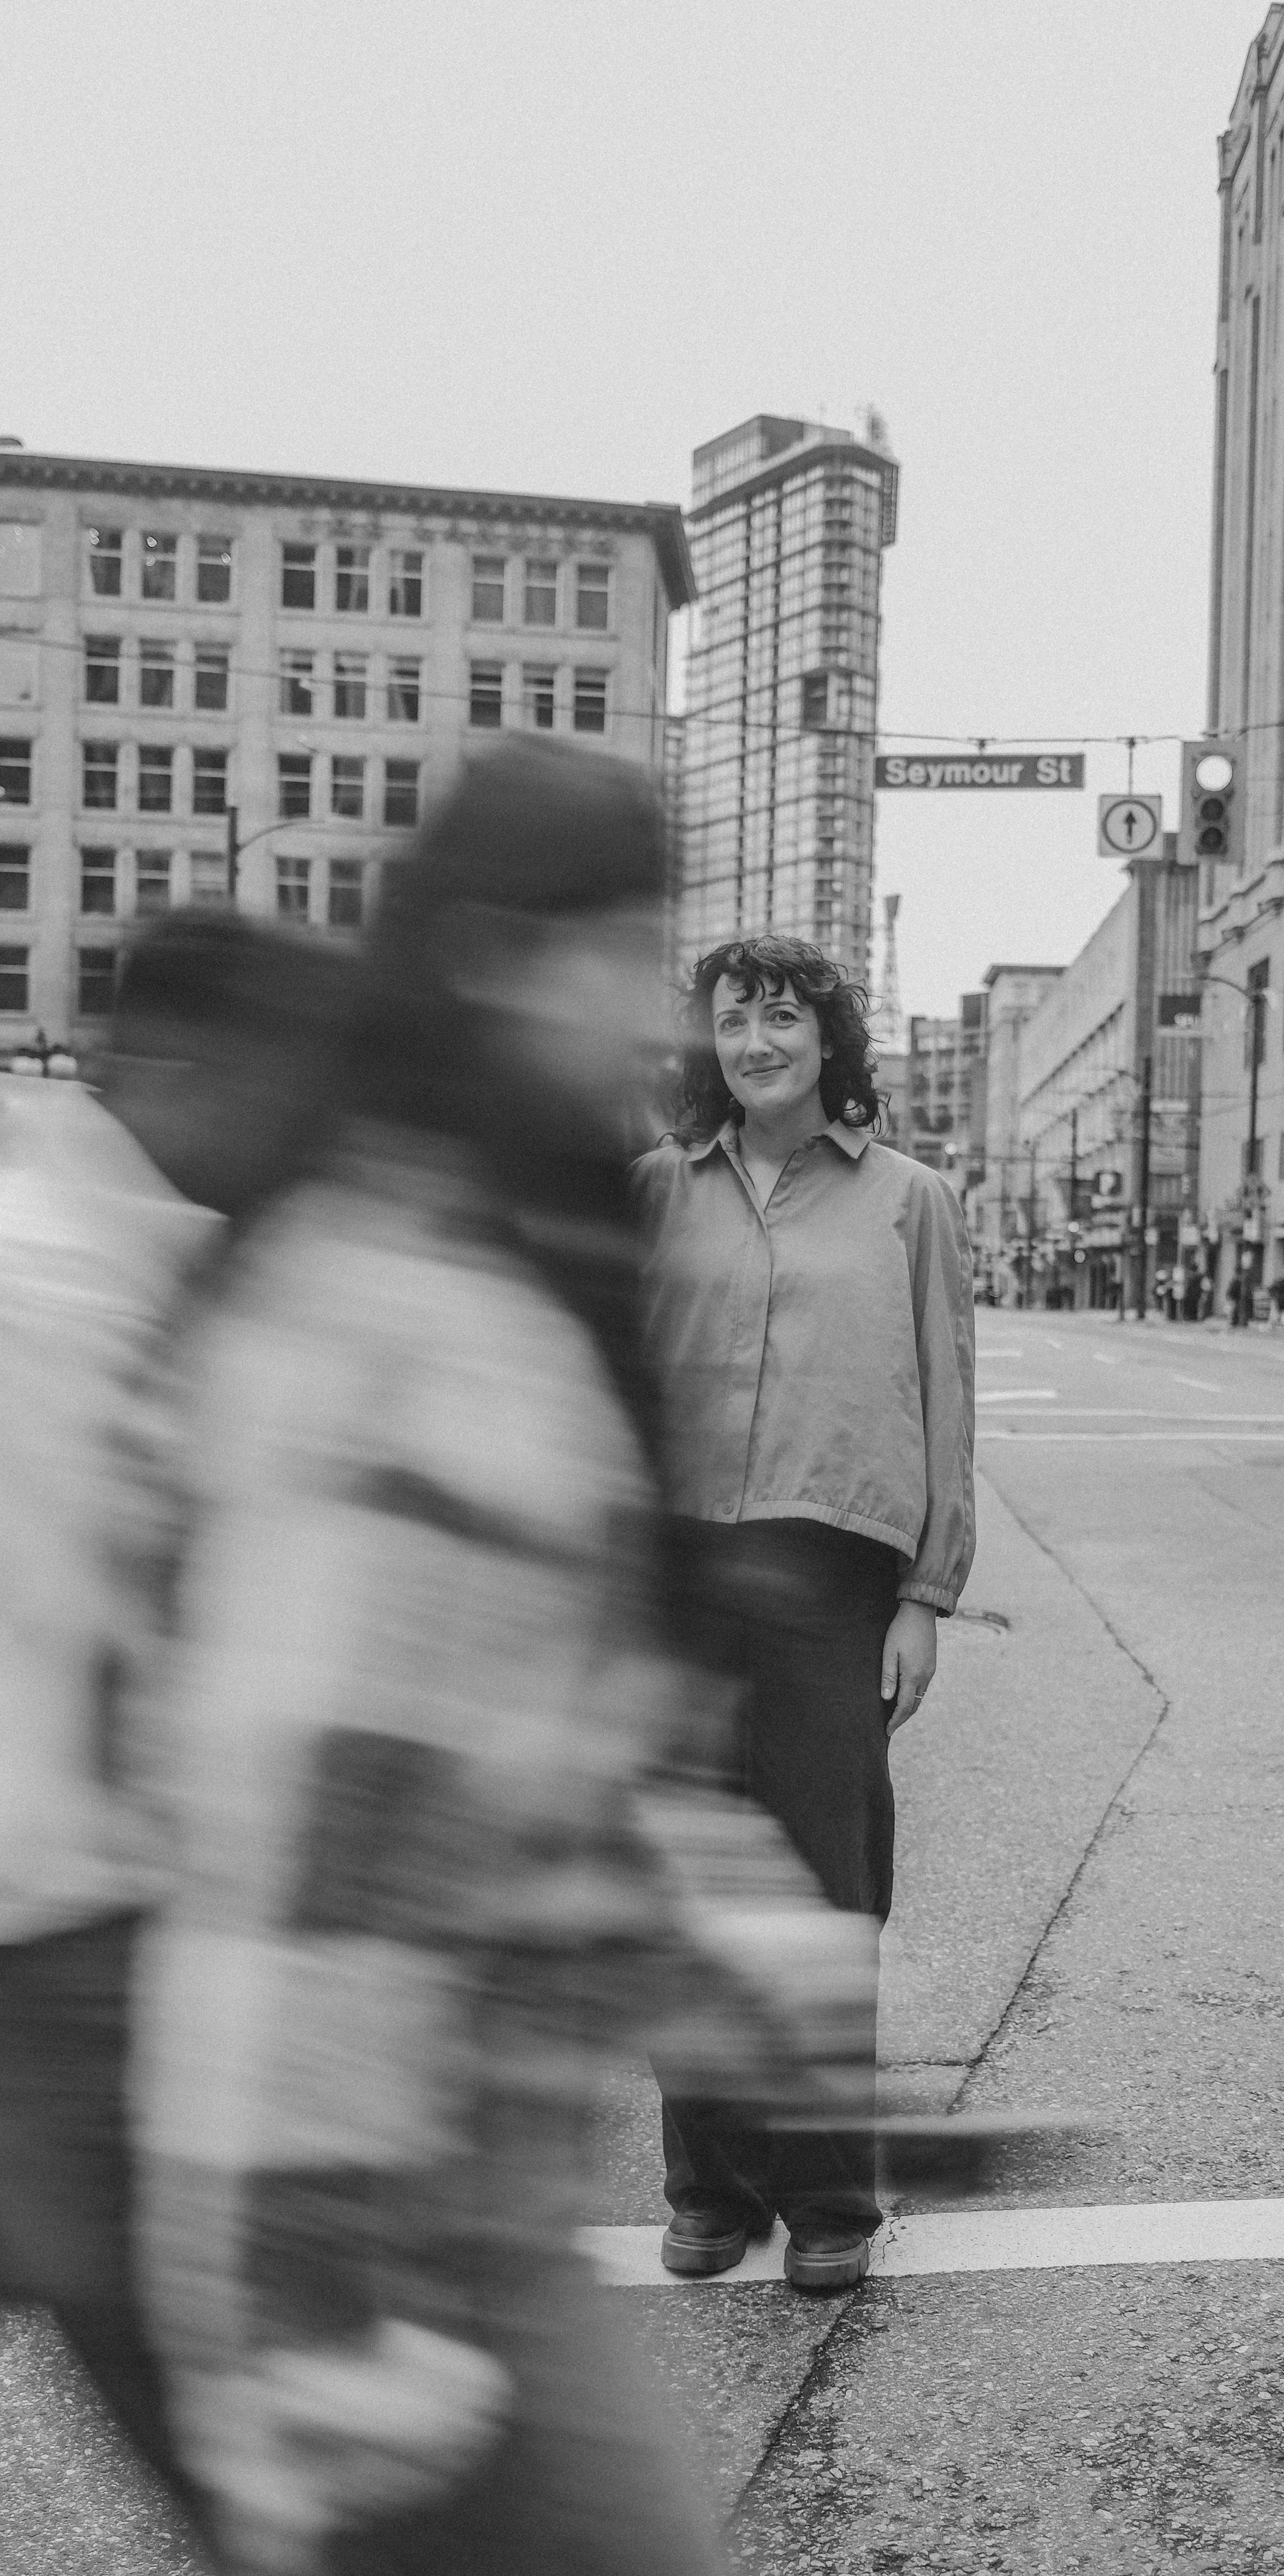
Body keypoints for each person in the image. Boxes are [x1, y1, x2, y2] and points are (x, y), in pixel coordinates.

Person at [117, 746, 876, 2576]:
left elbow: (546, 1771)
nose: (654, 1009)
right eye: (617, 952)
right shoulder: (407, 1321)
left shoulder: (496, 1252)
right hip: (375, 2252)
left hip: (458, 2209)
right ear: (483, 959)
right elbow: (319, 1859)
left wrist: (798, 2038)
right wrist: (317, 2355)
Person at [0, 913, 350, 2538]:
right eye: (288, 1091)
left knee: (248, 2455)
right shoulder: (54, 1293)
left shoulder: (129, 1252)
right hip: (61, 1963)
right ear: (174, 1072)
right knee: (252, 2465)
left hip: (97, 1954)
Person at [635, 933, 975, 2295]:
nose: (760, 1040)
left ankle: (830, 2194)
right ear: (708, 1042)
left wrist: (925, 1591)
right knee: (687, 1885)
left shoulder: (910, 1198)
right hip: (681, 1578)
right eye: (735, 1018)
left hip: (832, 1578)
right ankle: (707, 2180)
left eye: (785, 1017)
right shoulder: (657, 1189)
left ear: (831, 1040)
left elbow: (945, 1394)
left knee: (829, 1896)